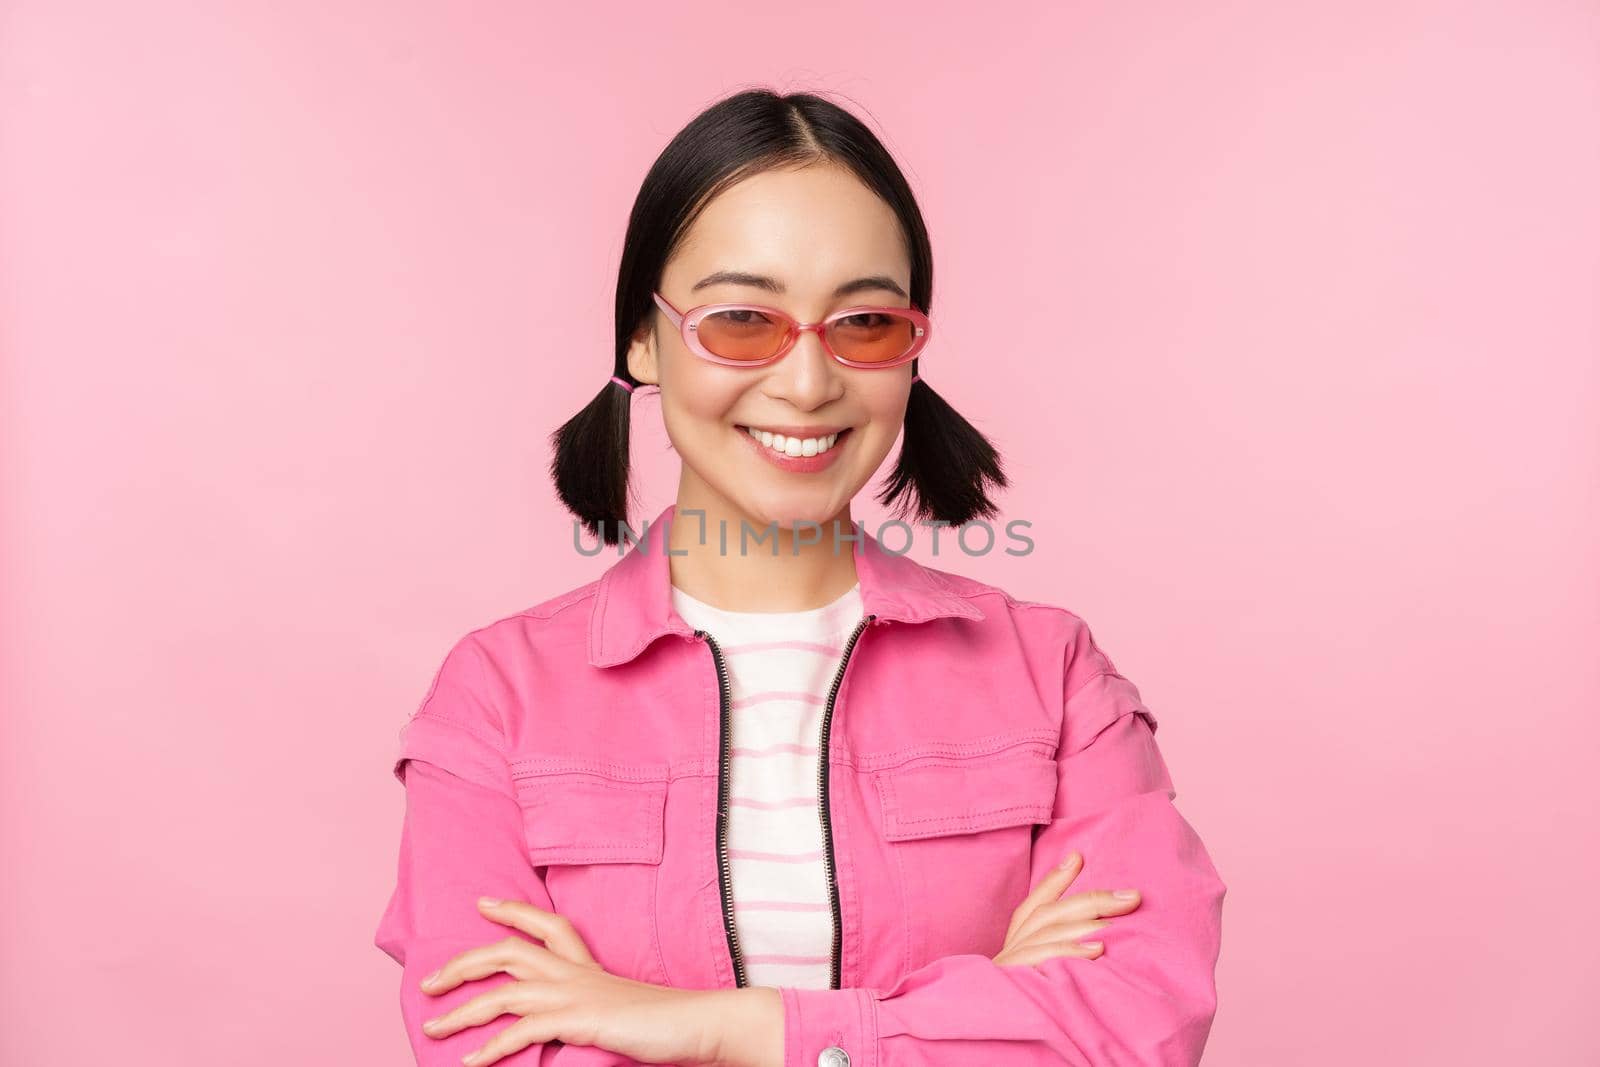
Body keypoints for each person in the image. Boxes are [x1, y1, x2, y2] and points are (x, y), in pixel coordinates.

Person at [374, 88, 1226, 1067]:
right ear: (642, 340)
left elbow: (1127, 1026)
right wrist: (973, 1004)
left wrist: (713, 1024)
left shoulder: (1053, 672)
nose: (810, 381)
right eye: (742, 319)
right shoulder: (498, 696)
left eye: (863, 322)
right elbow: (490, 1047)